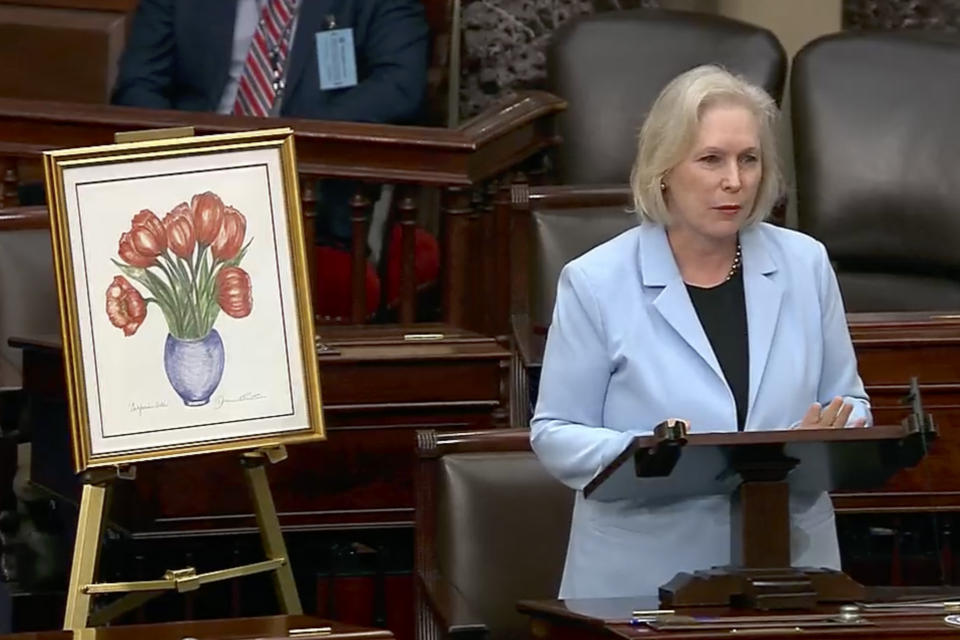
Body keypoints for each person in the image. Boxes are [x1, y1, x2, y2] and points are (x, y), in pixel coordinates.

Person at [530, 65, 871, 599]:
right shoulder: (595, 282)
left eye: (749, 159)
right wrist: (649, 451)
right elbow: (555, 432)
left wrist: (831, 433)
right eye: (711, 159)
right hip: (644, 580)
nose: (734, 180)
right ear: (664, 168)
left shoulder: (805, 264)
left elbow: (850, 403)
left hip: (789, 565)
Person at [111, 0, 430, 243]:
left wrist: (282, 147)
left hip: (307, 196)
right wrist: (185, 166)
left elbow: (399, 85)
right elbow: (139, 83)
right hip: (188, 185)